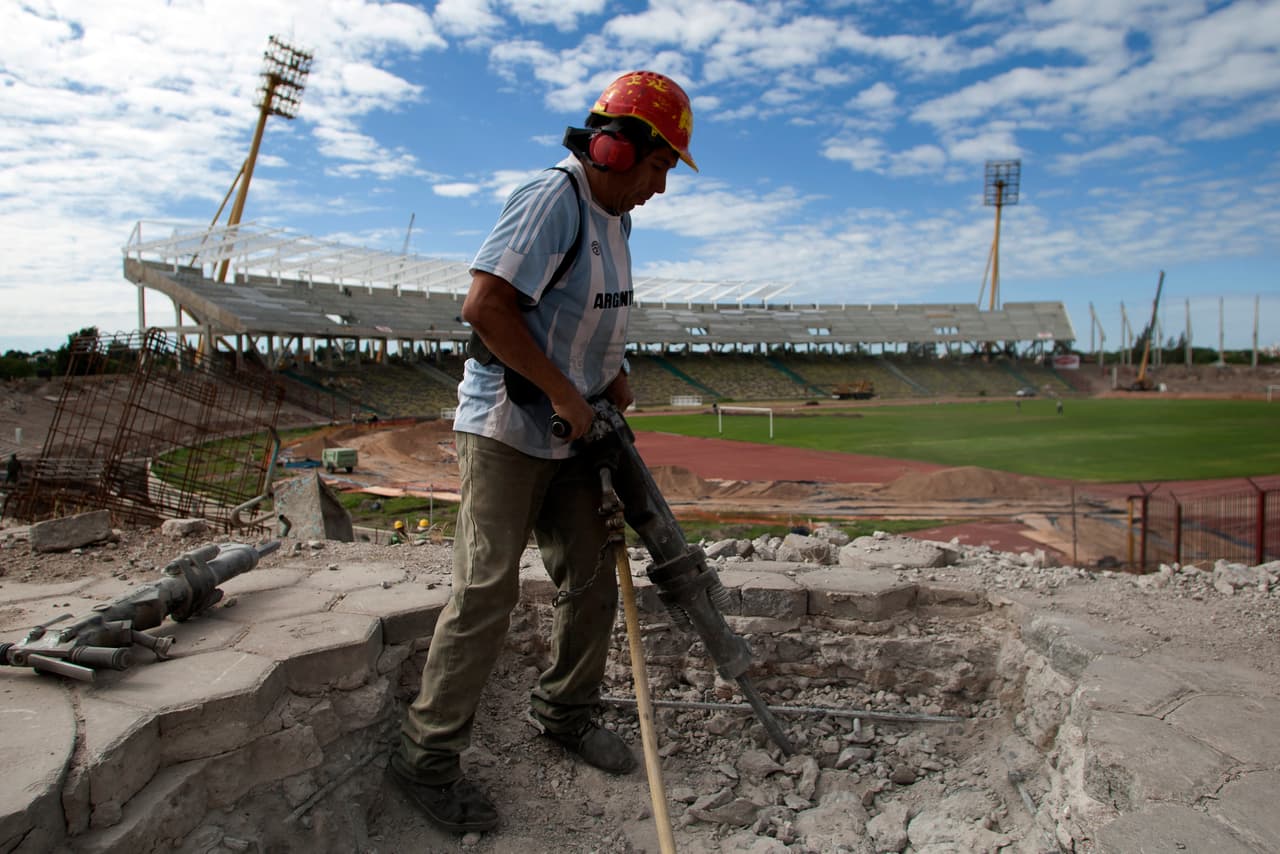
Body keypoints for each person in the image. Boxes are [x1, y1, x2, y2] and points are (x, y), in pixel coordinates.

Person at [390, 70, 698, 834]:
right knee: (486, 591)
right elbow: (485, 306)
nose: (661, 188)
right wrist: (564, 393)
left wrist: (611, 375)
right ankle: (425, 759)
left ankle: (563, 711)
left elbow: (582, 314)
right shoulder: (551, 200)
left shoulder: (617, 219)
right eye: (659, 166)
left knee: (592, 578)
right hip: (507, 426)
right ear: (615, 148)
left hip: (574, 429)